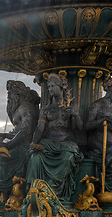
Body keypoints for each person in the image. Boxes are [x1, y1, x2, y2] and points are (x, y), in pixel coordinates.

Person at [0, 80, 40, 202]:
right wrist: (5, 135)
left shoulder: (26, 108)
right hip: (19, 144)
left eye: (10, 94)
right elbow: (19, 132)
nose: (9, 97)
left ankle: (4, 189)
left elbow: (26, 132)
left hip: (25, 147)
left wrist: (8, 144)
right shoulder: (20, 108)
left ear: (17, 94)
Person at [26, 73, 83, 202]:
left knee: (68, 158)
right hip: (48, 142)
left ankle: (51, 189)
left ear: (60, 87)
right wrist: (34, 143)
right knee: (35, 158)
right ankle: (33, 191)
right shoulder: (46, 109)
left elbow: (78, 129)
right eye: (48, 87)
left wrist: (75, 115)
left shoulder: (71, 106)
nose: (50, 89)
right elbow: (40, 128)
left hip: (66, 143)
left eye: (52, 86)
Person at [86, 72, 112, 198]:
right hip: (98, 147)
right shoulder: (97, 105)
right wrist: (101, 121)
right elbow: (87, 126)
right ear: (110, 88)